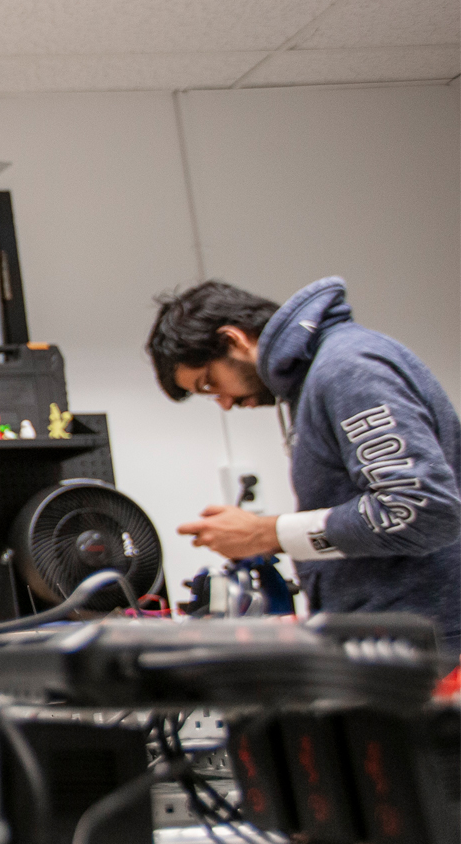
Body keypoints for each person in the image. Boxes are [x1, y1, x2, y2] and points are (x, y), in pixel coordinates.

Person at [147, 278, 460, 649]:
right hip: (395, 640)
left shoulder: (346, 368)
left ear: (234, 340)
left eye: (210, 383)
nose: (224, 403)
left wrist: (269, 533)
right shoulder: (316, 377)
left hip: (431, 647)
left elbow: (417, 510)